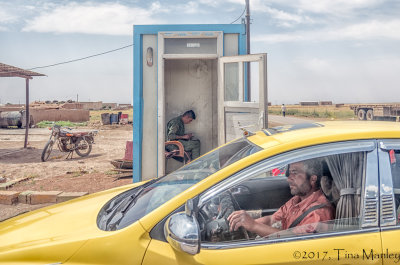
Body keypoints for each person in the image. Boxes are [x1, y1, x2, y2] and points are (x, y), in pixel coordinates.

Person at [227, 159, 334, 237]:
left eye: (294, 173)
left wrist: (254, 225)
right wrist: (243, 224)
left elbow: (291, 240)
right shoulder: (297, 200)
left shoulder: (318, 214)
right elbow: (271, 220)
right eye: (289, 172)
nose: (288, 178)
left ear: (312, 179)